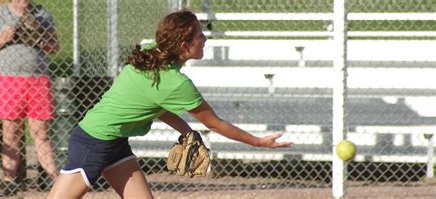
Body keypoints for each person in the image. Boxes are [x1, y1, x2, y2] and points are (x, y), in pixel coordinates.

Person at [47, 9, 292, 199]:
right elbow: (215, 124)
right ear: (185, 46)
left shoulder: (150, 53)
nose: (205, 38)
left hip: (113, 141)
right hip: (95, 141)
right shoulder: (175, 83)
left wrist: (186, 130)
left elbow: (156, 104)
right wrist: (259, 142)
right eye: (199, 35)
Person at [0, 0, 59, 196]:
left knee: (41, 134)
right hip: (8, 80)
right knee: (11, 132)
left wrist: (41, 40)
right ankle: (9, 182)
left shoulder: (40, 13)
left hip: (37, 80)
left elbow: (55, 46)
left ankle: (55, 179)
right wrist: (1, 39)